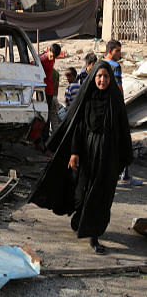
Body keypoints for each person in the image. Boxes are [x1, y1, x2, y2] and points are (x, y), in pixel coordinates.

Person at [29, 61, 133, 255]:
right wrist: (74, 153)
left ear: (110, 79)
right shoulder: (87, 98)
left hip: (108, 157)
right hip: (87, 154)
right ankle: (80, 219)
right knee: (82, 192)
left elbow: (123, 131)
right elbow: (78, 128)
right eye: (99, 76)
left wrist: (123, 158)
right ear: (93, 77)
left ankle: (93, 235)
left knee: (100, 195)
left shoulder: (115, 100)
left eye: (106, 77)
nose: (102, 80)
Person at [103, 40, 142, 186]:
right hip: (114, 107)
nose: (120, 54)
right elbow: (119, 88)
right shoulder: (115, 66)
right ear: (110, 51)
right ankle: (125, 176)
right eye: (117, 51)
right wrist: (122, 107)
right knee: (123, 140)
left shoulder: (101, 64)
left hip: (103, 109)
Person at [39, 43, 62, 145]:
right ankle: (41, 138)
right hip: (43, 89)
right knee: (43, 114)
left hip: (50, 89)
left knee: (47, 114)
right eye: (51, 55)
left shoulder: (52, 59)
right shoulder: (41, 60)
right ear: (48, 50)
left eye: (54, 57)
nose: (52, 58)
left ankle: (45, 137)